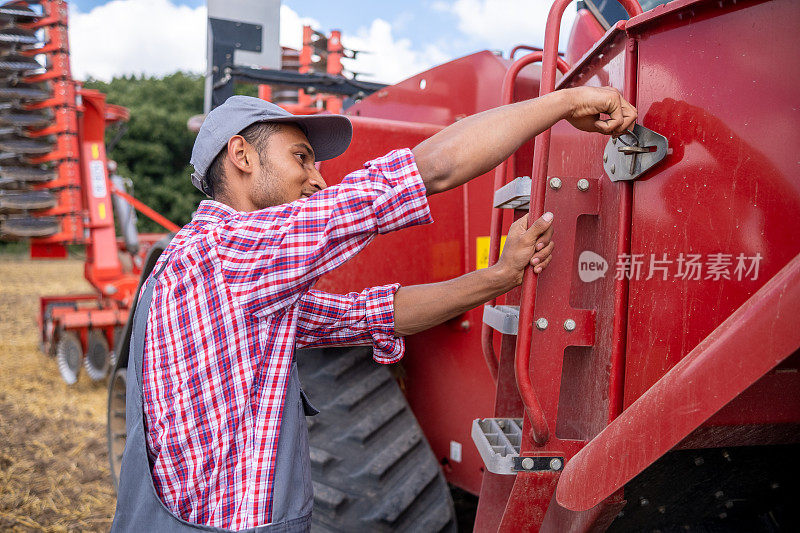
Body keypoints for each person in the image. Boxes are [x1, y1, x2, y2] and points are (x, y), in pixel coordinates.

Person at [111, 87, 637, 532]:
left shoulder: (224, 274)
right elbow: (432, 169)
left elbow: (372, 314)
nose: (318, 178)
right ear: (242, 156)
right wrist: (567, 102)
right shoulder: (232, 252)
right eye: (301, 157)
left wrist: (499, 276)